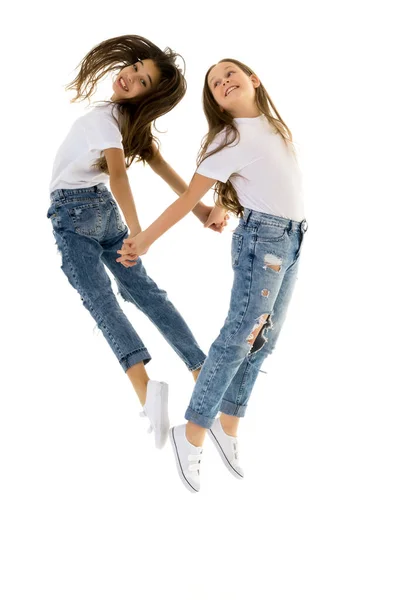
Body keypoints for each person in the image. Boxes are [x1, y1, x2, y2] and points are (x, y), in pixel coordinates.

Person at [119, 58, 308, 491]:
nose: (223, 81)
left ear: (254, 79)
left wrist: (223, 206)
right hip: (264, 246)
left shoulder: (272, 126)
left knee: (264, 340)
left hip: (293, 240)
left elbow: (250, 179)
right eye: (215, 82)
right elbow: (189, 198)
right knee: (239, 336)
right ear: (214, 100)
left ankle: (228, 423)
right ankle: (193, 432)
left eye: (230, 74)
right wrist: (146, 237)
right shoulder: (228, 138)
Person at [47, 35, 227, 450]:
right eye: (135, 69)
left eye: (142, 80)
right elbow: (159, 167)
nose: (129, 76)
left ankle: (147, 391)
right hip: (102, 210)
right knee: (145, 293)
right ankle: (201, 370)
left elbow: (119, 175)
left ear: (149, 97)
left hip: (74, 214)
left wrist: (139, 232)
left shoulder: (106, 119)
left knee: (102, 301)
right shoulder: (125, 122)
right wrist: (200, 211)